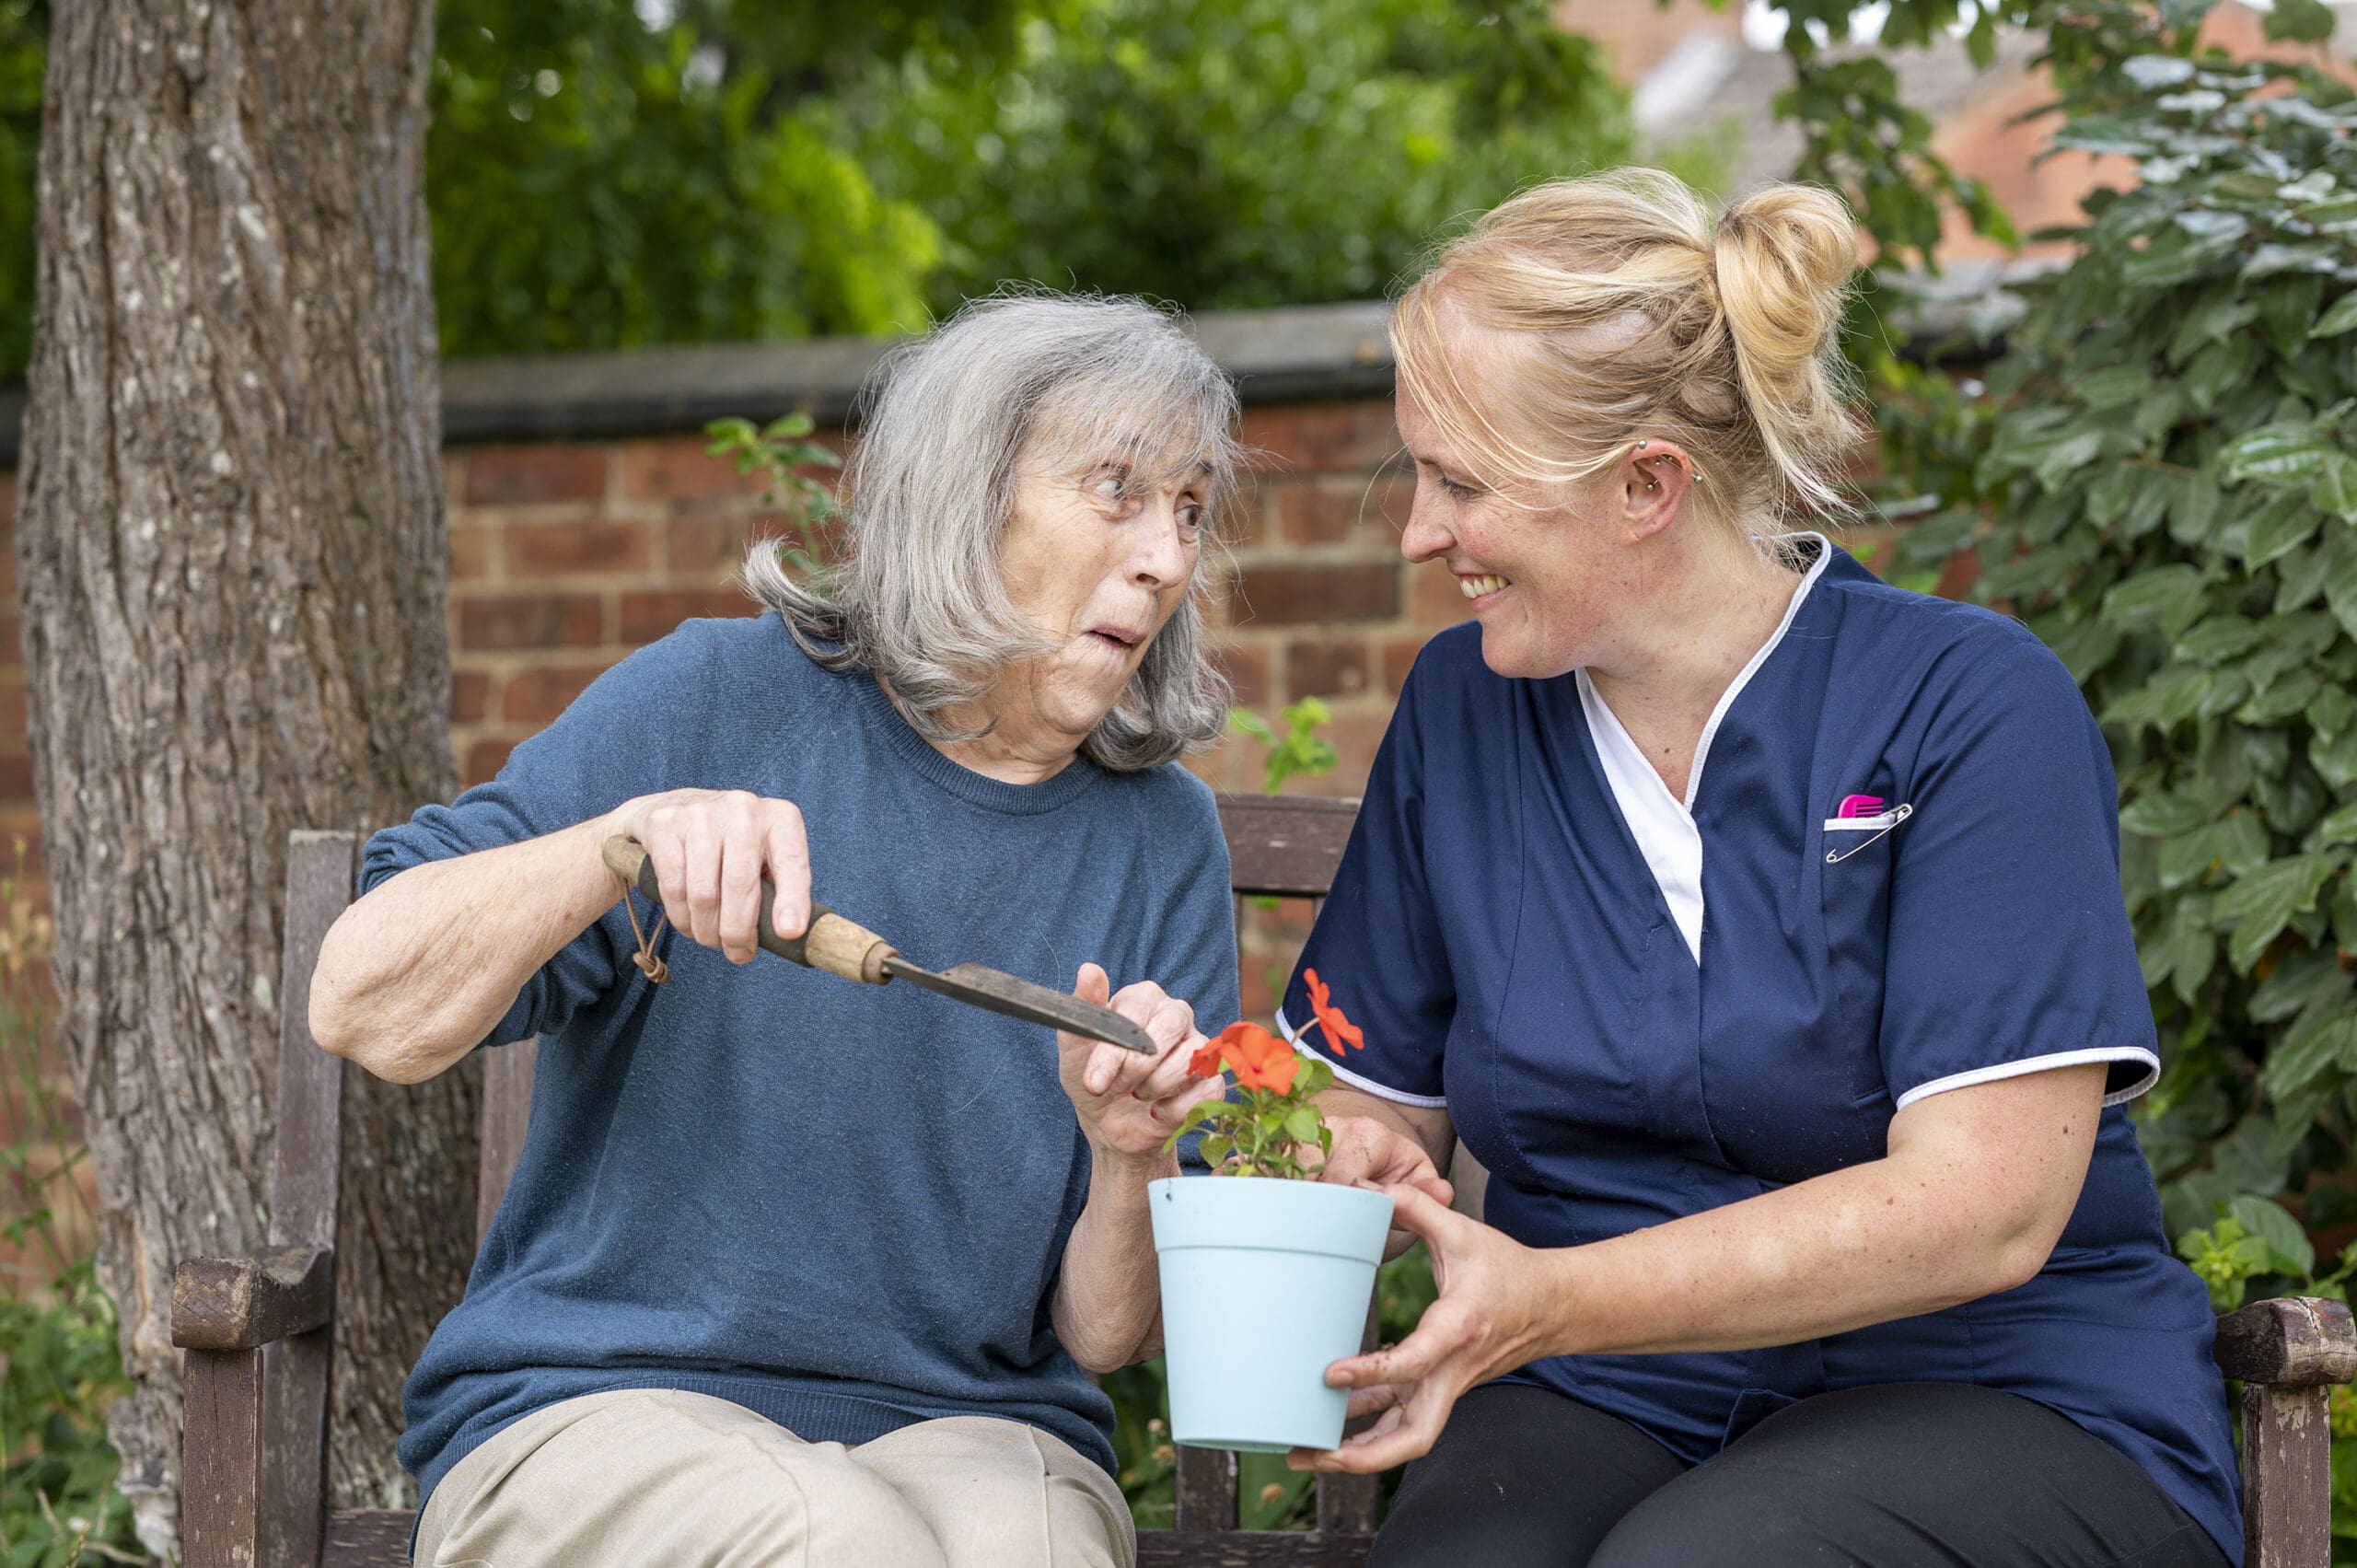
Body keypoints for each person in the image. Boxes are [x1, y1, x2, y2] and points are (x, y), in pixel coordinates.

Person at [1273, 170, 2242, 1567]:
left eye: (1461, 482)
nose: (1419, 532)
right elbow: (1367, 1110)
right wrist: (1325, 1155)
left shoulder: (1968, 706)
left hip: (1993, 1384)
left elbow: (1988, 1209)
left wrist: (1548, 1299)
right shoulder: (1462, 711)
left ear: (1646, 487)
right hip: (1618, 1394)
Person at [308, 292, 1243, 1568]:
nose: (1167, 556)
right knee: (837, 1538)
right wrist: (617, 841)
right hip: (596, 1412)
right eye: (1118, 489)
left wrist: (1129, 1159)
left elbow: (1102, 1334)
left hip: (978, 1430)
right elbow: (359, 1004)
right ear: (968, 496)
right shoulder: (715, 701)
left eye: (1189, 508)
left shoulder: (1159, 839)